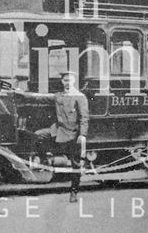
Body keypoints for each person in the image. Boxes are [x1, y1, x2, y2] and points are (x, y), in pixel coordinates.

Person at [35, 71, 89, 203]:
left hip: (73, 134)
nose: (67, 83)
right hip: (58, 130)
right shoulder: (58, 96)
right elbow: (41, 97)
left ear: (74, 81)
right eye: (65, 80)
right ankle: (44, 161)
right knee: (38, 136)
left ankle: (74, 193)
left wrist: (82, 135)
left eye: (69, 80)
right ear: (62, 82)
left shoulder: (80, 97)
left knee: (75, 165)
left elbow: (84, 117)